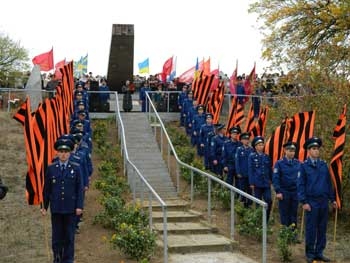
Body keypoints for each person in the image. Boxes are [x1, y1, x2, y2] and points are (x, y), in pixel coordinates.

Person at [41, 138, 84, 263]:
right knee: (57, 237)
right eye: (61, 151)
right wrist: (44, 206)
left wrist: (79, 206)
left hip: (71, 209)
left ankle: (68, 259)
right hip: (57, 208)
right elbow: (46, 190)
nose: (63, 154)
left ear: (70, 153)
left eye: (66, 151)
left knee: (69, 237)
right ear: (57, 153)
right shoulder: (51, 168)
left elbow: (79, 189)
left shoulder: (76, 168)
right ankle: (57, 258)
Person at [297, 137, 337, 263]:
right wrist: (304, 201)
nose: (316, 151)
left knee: (322, 228)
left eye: (317, 149)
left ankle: (319, 252)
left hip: (323, 201)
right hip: (311, 202)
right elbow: (300, 185)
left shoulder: (323, 165)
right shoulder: (303, 166)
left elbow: (328, 183)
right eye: (313, 149)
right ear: (308, 151)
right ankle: (310, 253)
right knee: (311, 228)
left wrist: (332, 198)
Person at [272, 141, 300, 229]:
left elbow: (301, 178)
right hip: (284, 192)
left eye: (293, 151)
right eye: (290, 150)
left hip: (295, 192)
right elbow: (276, 178)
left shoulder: (298, 163)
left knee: (294, 213)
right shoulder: (279, 163)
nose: (292, 153)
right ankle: (284, 233)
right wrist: (278, 191)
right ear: (285, 151)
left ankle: (293, 233)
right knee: (285, 213)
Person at [248, 136, 272, 221]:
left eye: (262, 144)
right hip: (257, 183)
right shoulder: (252, 156)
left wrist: (271, 180)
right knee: (258, 202)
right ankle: (258, 219)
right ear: (255, 146)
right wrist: (251, 183)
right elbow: (250, 170)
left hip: (266, 183)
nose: (261, 146)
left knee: (269, 200)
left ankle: (266, 218)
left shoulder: (267, 156)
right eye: (259, 145)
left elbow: (269, 169)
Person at [235, 132, 254, 207]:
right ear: (242, 141)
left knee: (249, 189)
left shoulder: (251, 150)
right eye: (245, 139)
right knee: (242, 188)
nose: (246, 141)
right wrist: (238, 172)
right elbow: (237, 161)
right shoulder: (239, 149)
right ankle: (242, 203)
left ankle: (249, 204)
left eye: (247, 139)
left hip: (249, 174)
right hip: (242, 173)